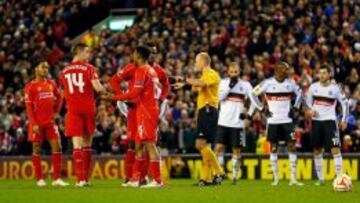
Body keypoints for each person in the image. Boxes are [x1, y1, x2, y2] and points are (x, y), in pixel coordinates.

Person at [107, 46, 162, 188]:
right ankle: (136, 179)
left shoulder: (142, 70)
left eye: (134, 53)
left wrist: (115, 97)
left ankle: (157, 180)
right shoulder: (151, 70)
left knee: (150, 144)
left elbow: (134, 93)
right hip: (145, 110)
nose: (132, 56)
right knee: (139, 144)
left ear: (138, 56)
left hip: (146, 111)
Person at [174, 52, 225, 186]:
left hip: (208, 110)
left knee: (200, 145)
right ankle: (205, 178)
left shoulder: (211, 74)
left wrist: (185, 79)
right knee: (205, 147)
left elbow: (201, 84)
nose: (196, 64)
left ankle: (219, 172)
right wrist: (183, 85)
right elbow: (196, 86)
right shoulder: (205, 75)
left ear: (203, 62)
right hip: (205, 111)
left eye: (197, 61)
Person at [59, 43, 106, 187]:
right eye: (87, 52)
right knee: (87, 145)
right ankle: (85, 179)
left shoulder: (64, 72)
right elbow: (98, 88)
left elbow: (63, 93)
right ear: (78, 52)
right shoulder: (90, 69)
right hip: (88, 110)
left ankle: (80, 180)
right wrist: (109, 93)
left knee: (77, 146)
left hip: (72, 110)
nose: (89, 54)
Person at [250, 61, 303, 186]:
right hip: (273, 121)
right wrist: (262, 108)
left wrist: (295, 107)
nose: (288, 71)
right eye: (285, 69)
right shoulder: (267, 83)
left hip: (288, 121)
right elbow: (252, 94)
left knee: (292, 147)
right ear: (277, 70)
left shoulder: (291, 83)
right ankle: (276, 179)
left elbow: (300, 93)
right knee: (273, 148)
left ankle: (293, 179)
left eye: (288, 69)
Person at [24, 59, 68, 187]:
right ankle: (39, 179)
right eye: (43, 67)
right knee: (37, 148)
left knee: (58, 147)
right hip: (36, 123)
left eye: (47, 68)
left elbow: (60, 97)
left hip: (50, 122)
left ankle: (57, 179)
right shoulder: (30, 87)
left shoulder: (51, 84)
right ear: (36, 69)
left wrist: (57, 112)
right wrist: (34, 124)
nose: (45, 70)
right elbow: (29, 108)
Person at [215, 62, 260, 184]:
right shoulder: (223, 83)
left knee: (237, 150)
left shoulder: (245, 85)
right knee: (219, 148)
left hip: (238, 123)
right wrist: (230, 86)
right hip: (223, 121)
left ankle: (234, 177)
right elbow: (218, 98)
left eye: (236, 72)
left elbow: (255, 100)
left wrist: (249, 116)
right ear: (228, 72)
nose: (234, 74)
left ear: (239, 72)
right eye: (231, 72)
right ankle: (219, 174)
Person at [305, 64, 348, 186]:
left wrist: (344, 120)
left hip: (330, 121)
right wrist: (310, 111)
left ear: (329, 74)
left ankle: (340, 178)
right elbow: (307, 104)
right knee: (317, 149)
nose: (322, 75)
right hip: (316, 121)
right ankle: (321, 179)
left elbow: (345, 104)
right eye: (320, 72)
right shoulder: (313, 87)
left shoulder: (335, 89)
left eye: (324, 73)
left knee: (335, 148)